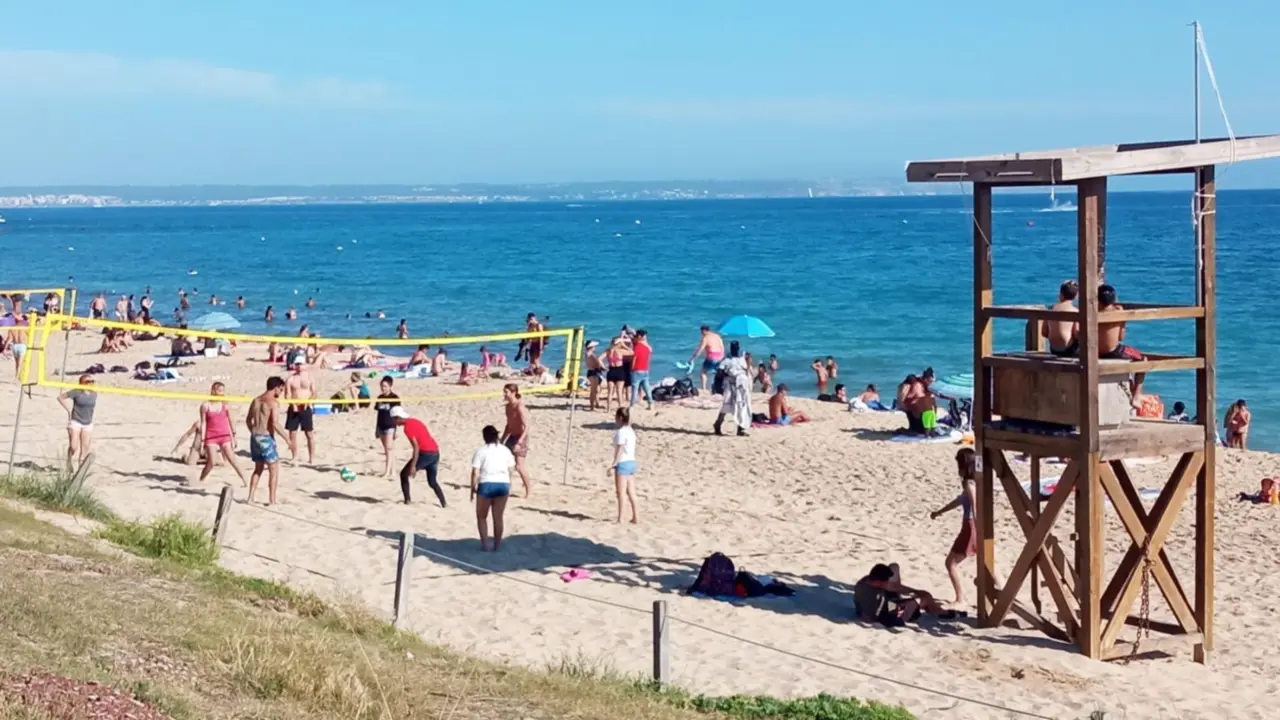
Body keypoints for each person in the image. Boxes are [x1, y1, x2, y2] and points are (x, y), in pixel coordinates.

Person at [931, 448, 978, 604]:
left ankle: (960, 599)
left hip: (970, 526)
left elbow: (974, 504)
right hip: (974, 526)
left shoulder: (968, 483)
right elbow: (959, 501)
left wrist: (977, 527)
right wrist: (939, 512)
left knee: (950, 564)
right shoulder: (978, 481)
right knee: (988, 562)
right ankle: (1006, 596)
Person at [853, 563, 955, 627]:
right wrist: (907, 603)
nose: (888, 583)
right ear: (880, 582)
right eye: (886, 581)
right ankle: (939, 612)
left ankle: (934, 609)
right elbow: (874, 618)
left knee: (894, 567)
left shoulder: (864, 582)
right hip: (893, 616)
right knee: (924, 598)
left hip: (882, 606)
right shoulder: (876, 597)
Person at [1097, 284, 1147, 407]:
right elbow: (1121, 337)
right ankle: (1136, 396)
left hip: (1096, 351)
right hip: (1113, 351)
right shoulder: (1118, 313)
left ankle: (1130, 390)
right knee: (1143, 360)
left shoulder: (1093, 312)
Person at [471, 424, 516, 551]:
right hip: (502, 484)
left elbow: (475, 472)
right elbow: (511, 468)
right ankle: (497, 545)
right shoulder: (505, 450)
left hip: (486, 484)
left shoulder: (481, 451)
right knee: (498, 517)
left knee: (481, 516)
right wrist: (508, 481)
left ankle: (485, 545)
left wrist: (472, 488)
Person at [389, 407, 446, 507]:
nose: (394, 422)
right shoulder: (415, 421)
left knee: (403, 474)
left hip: (425, 454)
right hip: (435, 452)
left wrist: (413, 466)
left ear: (398, 418)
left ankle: (407, 500)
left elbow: (416, 447)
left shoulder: (407, 428)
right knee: (432, 482)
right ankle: (444, 502)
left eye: (393, 419)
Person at [196, 382, 247, 486]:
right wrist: (202, 441)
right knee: (212, 462)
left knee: (233, 460)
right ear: (213, 391)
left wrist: (234, 436)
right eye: (220, 391)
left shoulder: (225, 404)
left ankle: (245, 481)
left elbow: (231, 420)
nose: (222, 393)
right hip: (211, 437)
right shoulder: (205, 406)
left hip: (224, 436)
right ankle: (200, 480)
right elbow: (203, 423)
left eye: (223, 391)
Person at [246, 376, 287, 505]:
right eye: (281, 389)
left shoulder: (256, 400)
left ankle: (250, 498)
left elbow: (248, 420)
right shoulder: (273, 403)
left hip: (255, 436)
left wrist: (253, 432)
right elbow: (275, 423)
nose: (281, 393)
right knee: (273, 470)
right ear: (276, 387)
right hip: (265, 437)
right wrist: (287, 440)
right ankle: (272, 500)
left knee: (258, 469)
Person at [501, 383, 533, 498]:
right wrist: (502, 440)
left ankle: (528, 491)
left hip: (521, 437)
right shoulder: (508, 406)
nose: (504, 394)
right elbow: (508, 425)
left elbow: (527, 426)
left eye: (506, 392)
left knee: (519, 466)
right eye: (504, 392)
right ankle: (507, 488)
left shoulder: (519, 406)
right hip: (511, 436)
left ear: (513, 393)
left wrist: (520, 442)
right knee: (506, 464)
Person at [713, 341, 752, 436]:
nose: (735, 350)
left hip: (741, 385)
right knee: (726, 406)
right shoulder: (726, 360)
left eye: (736, 348)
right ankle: (718, 424)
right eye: (733, 348)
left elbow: (746, 370)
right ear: (731, 349)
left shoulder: (743, 359)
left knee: (742, 406)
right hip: (730, 384)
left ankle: (740, 428)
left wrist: (748, 361)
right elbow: (719, 373)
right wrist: (718, 387)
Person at [57, 374, 97, 468]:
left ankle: (80, 470)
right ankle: (69, 459)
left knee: (85, 449)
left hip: (87, 423)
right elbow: (60, 397)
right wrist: (68, 410)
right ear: (82, 383)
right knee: (74, 446)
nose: (91, 383)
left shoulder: (94, 394)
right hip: (76, 421)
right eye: (88, 382)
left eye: (92, 381)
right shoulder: (77, 392)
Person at [283, 359, 317, 463]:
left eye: (301, 364)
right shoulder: (291, 379)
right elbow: (287, 395)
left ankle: (312, 458)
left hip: (305, 407)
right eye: (297, 364)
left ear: (305, 365)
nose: (299, 366)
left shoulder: (310, 377)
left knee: (309, 433)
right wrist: (292, 404)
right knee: (292, 433)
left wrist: (308, 402)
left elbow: (314, 393)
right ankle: (295, 456)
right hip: (294, 407)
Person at [611, 407, 640, 523]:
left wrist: (614, 463)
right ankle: (636, 516)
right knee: (632, 492)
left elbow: (620, 449)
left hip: (623, 463)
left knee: (621, 492)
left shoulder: (621, 432)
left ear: (620, 418)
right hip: (632, 462)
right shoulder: (631, 431)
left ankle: (621, 518)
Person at [370, 377, 401, 477]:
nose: (383, 388)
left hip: (390, 426)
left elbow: (397, 415)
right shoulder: (380, 398)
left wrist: (396, 430)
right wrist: (376, 429)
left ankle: (387, 472)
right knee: (387, 450)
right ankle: (393, 471)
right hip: (381, 426)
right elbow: (379, 414)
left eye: (385, 386)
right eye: (382, 386)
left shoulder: (395, 398)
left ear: (390, 386)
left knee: (389, 449)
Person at [1043, 280, 1080, 356]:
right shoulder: (1075, 311)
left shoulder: (1051, 309)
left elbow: (1044, 332)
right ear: (1076, 296)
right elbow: (1076, 333)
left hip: (1053, 349)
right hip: (1069, 350)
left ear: (1061, 294)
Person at [688, 325, 725, 392]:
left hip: (712, 357)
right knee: (718, 373)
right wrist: (722, 357)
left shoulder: (706, 338)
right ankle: (718, 388)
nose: (701, 334)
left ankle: (704, 389)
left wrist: (693, 358)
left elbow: (700, 349)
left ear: (704, 331)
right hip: (720, 356)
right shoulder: (717, 336)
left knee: (703, 372)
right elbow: (722, 347)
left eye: (701, 332)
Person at [602, 336, 631, 412]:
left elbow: (599, 359)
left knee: (610, 392)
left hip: (611, 371)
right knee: (619, 391)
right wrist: (624, 345)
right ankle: (620, 407)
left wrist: (604, 367)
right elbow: (632, 352)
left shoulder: (608, 351)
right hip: (620, 371)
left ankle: (608, 409)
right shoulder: (620, 351)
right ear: (619, 343)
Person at [630, 329, 654, 410]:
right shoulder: (647, 348)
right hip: (645, 369)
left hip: (637, 369)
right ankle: (651, 403)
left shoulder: (637, 347)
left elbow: (634, 358)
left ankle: (632, 405)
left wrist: (632, 369)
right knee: (647, 388)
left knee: (635, 388)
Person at [584, 340, 605, 411]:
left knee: (596, 389)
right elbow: (597, 364)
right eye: (594, 346)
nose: (595, 347)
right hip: (594, 373)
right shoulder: (591, 355)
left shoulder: (587, 354)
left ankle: (596, 404)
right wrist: (603, 368)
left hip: (591, 372)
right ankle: (592, 406)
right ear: (591, 347)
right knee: (594, 390)